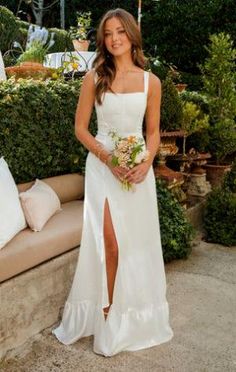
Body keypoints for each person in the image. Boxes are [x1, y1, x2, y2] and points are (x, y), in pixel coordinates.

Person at [52, 8, 174, 357]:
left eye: (121, 31)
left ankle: (132, 315)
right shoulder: (94, 77)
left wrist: (145, 161)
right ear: (102, 39)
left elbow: (152, 133)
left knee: (136, 244)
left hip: (137, 173)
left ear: (131, 36)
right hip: (103, 168)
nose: (115, 38)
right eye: (108, 33)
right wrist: (108, 159)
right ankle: (105, 314)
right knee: (109, 242)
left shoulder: (152, 82)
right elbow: (80, 128)